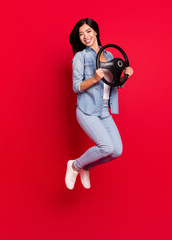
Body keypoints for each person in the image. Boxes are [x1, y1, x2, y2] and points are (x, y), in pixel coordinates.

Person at [65, 18, 134, 190]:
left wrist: (126, 76)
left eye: (88, 31)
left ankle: (86, 167)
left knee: (116, 151)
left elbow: (115, 84)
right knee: (106, 146)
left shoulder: (109, 55)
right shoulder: (80, 57)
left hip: (104, 110)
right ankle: (75, 165)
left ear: (96, 31)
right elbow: (76, 87)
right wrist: (94, 79)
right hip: (87, 110)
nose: (85, 36)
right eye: (81, 34)